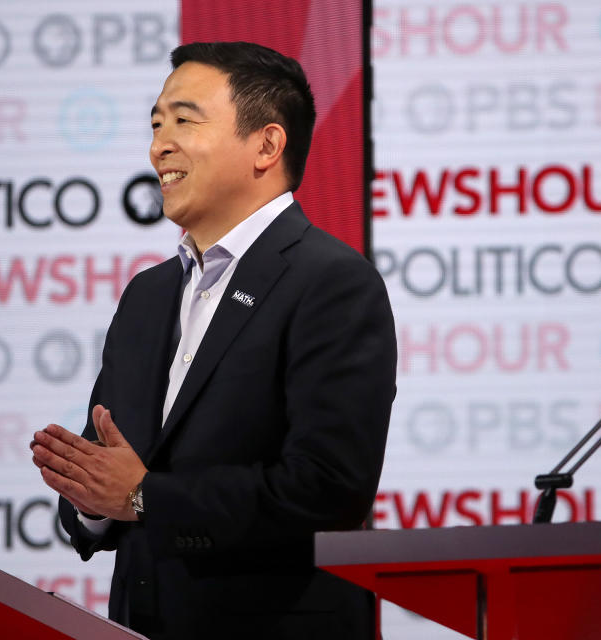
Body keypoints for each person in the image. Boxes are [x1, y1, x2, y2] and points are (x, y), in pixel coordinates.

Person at [30, 41, 396, 640]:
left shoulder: (332, 282)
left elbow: (328, 489)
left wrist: (147, 497)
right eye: (155, 123)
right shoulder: (147, 296)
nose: (158, 146)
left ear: (266, 146)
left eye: (184, 120)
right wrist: (92, 500)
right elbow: (116, 470)